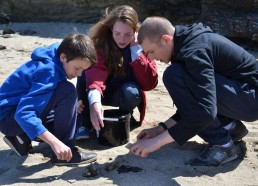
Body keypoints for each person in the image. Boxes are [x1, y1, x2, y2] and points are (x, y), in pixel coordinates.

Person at [129, 16, 258, 166]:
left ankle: (223, 146)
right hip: (242, 94)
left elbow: (204, 112)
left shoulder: (195, 51)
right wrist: (160, 129)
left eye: (151, 51)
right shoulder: (185, 44)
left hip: (251, 98)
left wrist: (157, 142)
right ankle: (230, 127)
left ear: (165, 39)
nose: (151, 58)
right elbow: (195, 100)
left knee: (174, 76)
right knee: (177, 75)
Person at [0, 33, 98, 166]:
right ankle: (63, 155)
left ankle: (21, 138)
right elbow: (23, 113)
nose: (79, 74)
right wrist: (55, 142)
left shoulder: (59, 56)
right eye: (77, 68)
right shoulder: (48, 72)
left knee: (76, 117)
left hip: (16, 112)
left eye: (83, 70)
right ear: (63, 57)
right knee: (67, 90)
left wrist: (69, 109)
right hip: (8, 118)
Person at [74, 5, 158, 140]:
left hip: (124, 93)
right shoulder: (99, 43)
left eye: (128, 34)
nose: (122, 39)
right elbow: (96, 74)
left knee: (131, 92)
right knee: (84, 73)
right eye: (117, 34)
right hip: (98, 91)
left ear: (135, 31)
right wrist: (95, 102)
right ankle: (84, 122)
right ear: (111, 28)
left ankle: (124, 118)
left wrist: (136, 52)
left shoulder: (143, 45)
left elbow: (149, 84)